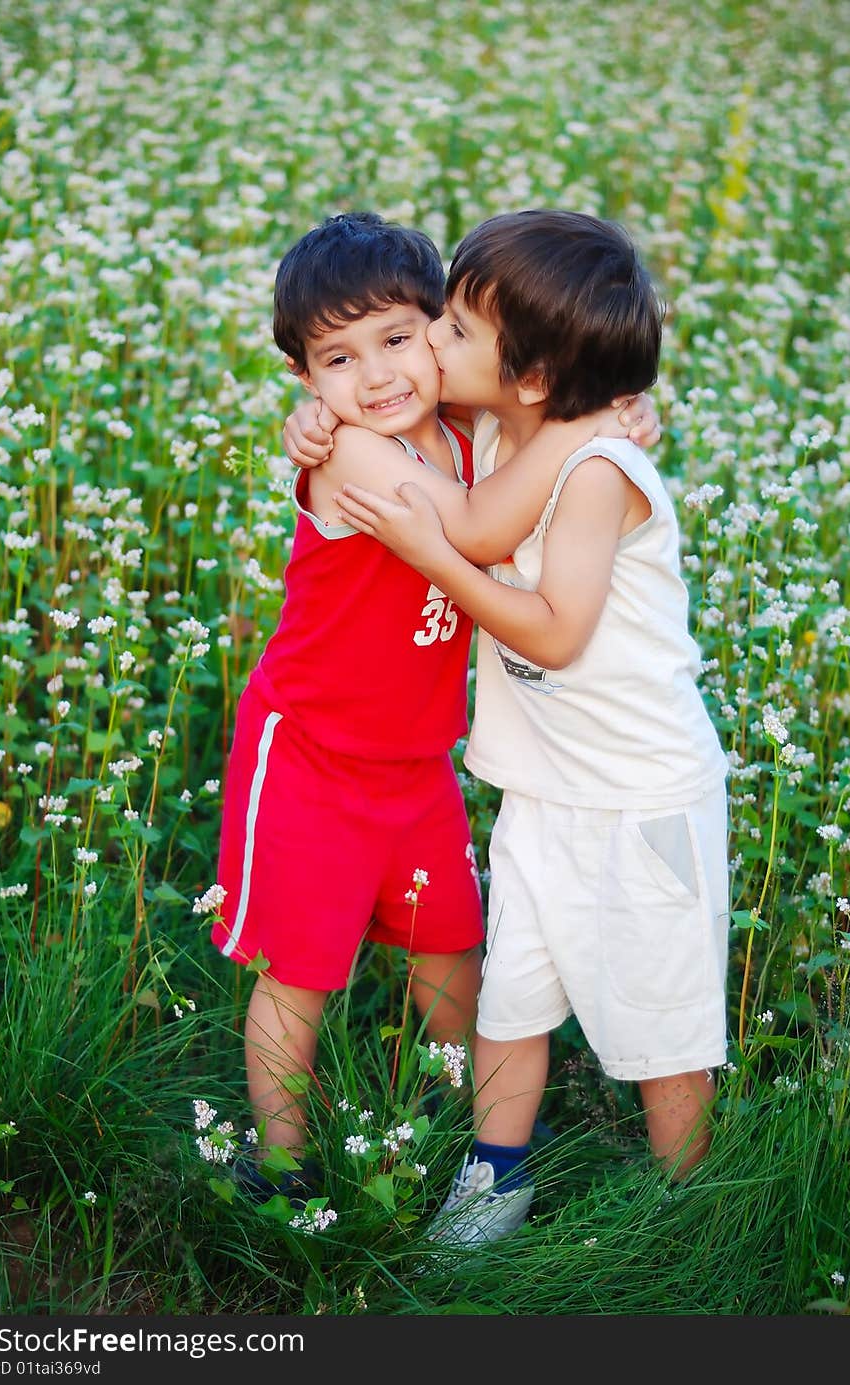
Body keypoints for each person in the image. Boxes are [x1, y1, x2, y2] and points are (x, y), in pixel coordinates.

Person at [302, 209, 730, 1245]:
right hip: (542, 787)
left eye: (450, 329)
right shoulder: (507, 433)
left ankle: (686, 1205)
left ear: (530, 376)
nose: (429, 346)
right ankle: (496, 1174)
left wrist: (435, 554)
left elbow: (550, 627)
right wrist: (308, 421)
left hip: (639, 797)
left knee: (659, 1024)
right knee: (512, 1000)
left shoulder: (595, 471)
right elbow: (461, 489)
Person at [211, 211, 658, 1202]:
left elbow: (535, 448)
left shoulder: (472, 435)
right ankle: (280, 1160)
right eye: (336, 357)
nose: (372, 375)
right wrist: (588, 430)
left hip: (415, 761)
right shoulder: (352, 457)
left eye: (399, 337)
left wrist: (616, 418)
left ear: (444, 333)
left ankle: (467, 1122)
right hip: (310, 758)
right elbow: (466, 524)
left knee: (452, 953)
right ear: (304, 382)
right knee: (301, 971)